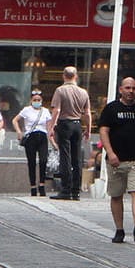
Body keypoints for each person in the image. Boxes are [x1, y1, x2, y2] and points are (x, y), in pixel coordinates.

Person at [97, 76, 135, 243]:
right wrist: (110, 153)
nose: (131, 91)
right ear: (120, 90)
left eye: (134, 88)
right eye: (127, 88)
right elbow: (103, 131)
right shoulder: (111, 109)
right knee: (116, 195)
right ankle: (119, 229)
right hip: (116, 160)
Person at [50, 65, 93, 200]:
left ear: (64, 76)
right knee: (76, 158)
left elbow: (56, 110)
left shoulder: (60, 91)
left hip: (64, 123)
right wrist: (88, 128)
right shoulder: (83, 92)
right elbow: (87, 113)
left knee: (65, 157)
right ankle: (76, 190)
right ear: (76, 76)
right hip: (77, 124)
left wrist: (51, 126)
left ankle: (65, 189)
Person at [13, 88, 54, 196]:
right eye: (35, 99)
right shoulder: (26, 110)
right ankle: (33, 187)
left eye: (39, 100)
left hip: (42, 136)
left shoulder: (45, 111)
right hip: (31, 137)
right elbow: (15, 120)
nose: (37, 102)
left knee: (43, 160)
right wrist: (19, 132)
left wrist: (53, 141)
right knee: (31, 162)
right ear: (31, 100)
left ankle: (42, 184)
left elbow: (49, 127)